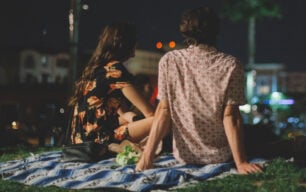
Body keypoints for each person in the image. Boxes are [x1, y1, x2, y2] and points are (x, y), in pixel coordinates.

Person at [136, 7, 263, 174]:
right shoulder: (231, 65)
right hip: (220, 156)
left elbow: (163, 112)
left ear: (185, 31)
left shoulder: (169, 61)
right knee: (260, 133)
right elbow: (231, 117)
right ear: (216, 32)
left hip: (184, 156)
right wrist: (241, 163)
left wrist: (147, 158)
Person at [67, 22, 154, 153]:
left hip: (79, 142)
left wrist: (137, 122)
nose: (136, 46)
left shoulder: (97, 69)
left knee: (133, 120)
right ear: (125, 44)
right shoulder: (115, 70)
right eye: (134, 42)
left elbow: (124, 114)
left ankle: (123, 147)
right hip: (99, 140)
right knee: (162, 119)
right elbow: (150, 113)